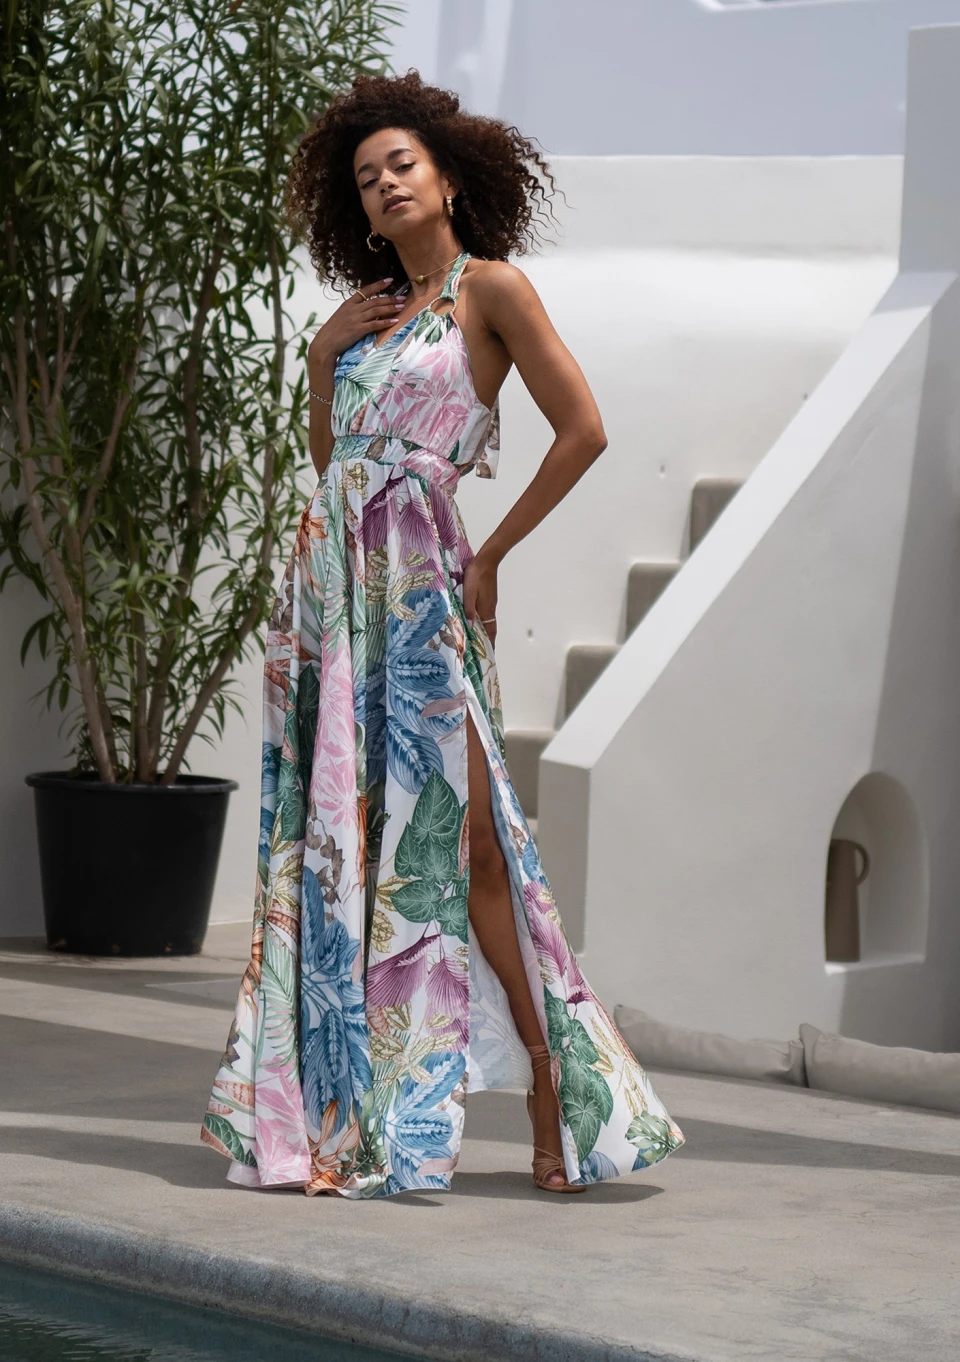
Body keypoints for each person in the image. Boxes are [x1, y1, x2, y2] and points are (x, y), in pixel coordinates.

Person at [201, 71, 683, 1198]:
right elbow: (334, 463)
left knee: (468, 845)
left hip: (422, 583)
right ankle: (346, 1103)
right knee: (342, 840)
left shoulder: (491, 289)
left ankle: (554, 1083)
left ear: (449, 177)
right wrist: (320, 360)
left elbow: (584, 428)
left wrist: (493, 553)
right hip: (332, 595)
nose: (385, 183)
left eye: (402, 164)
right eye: (366, 177)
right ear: (361, 213)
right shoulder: (367, 313)